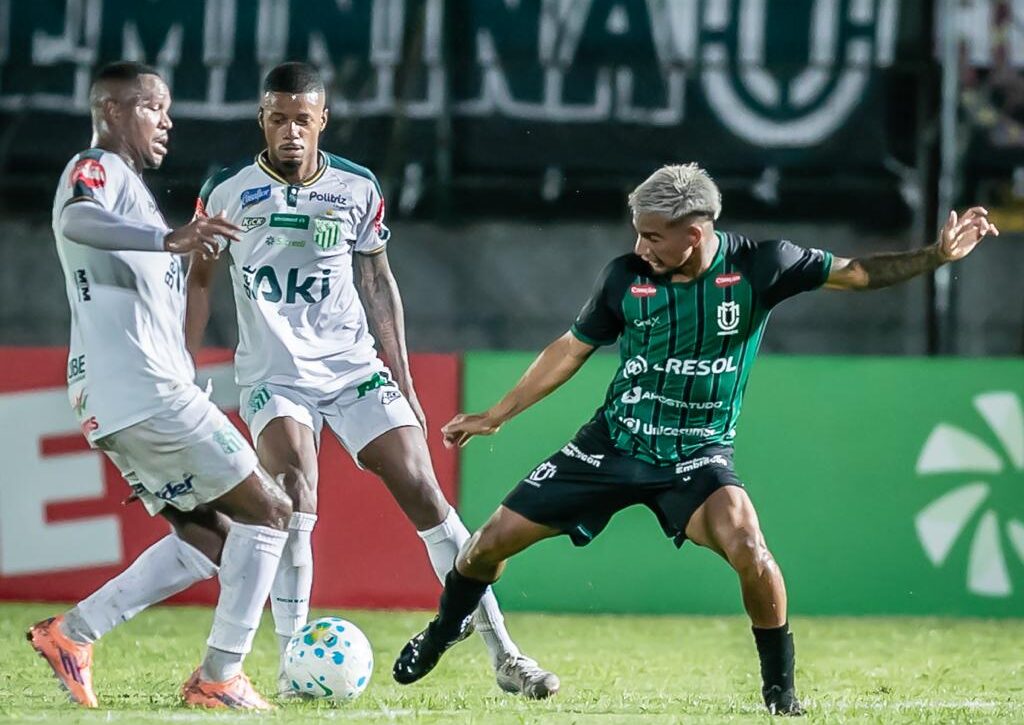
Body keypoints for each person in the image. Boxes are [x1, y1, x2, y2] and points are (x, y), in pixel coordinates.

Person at [392, 164, 1000, 715]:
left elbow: (858, 273)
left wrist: (936, 256)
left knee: (752, 552)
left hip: (698, 457)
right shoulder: (625, 278)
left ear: (696, 231)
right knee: (484, 548)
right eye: (638, 233)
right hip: (612, 445)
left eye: (652, 236)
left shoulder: (764, 265)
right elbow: (571, 349)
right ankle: (445, 630)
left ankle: (780, 694)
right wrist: (497, 414)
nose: (640, 247)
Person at [185, 61, 558, 699]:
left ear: (322, 120)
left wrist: (404, 382)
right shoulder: (226, 190)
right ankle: (294, 667)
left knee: (425, 492)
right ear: (262, 120)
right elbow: (198, 280)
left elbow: (378, 281)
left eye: (303, 119)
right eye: (279, 118)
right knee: (294, 496)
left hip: (353, 368)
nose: (291, 131)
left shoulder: (356, 187)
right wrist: (183, 367)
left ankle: (506, 655)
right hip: (276, 375)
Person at [26, 61, 294, 711]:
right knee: (272, 511)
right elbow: (76, 220)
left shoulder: (134, 194)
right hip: (141, 391)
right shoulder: (97, 168)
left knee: (213, 539)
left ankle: (72, 633)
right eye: (153, 106)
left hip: (125, 394)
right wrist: (167, 237)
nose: (167, 121)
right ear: (113, 110)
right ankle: (219, 677)